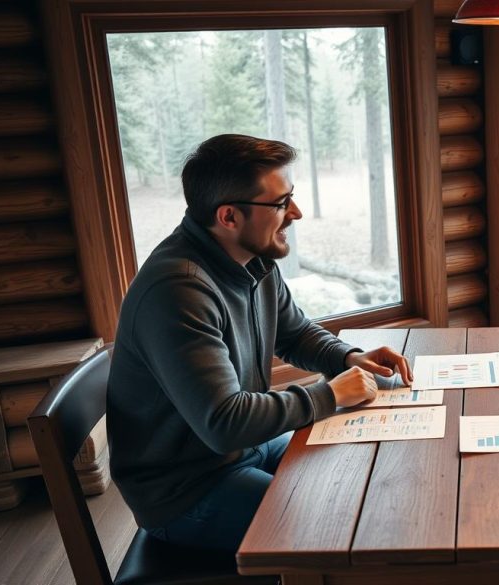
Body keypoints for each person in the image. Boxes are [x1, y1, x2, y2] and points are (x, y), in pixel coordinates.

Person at [107, 134, 413, 553]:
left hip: (243, 450)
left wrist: (347, 357)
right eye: (281, 203)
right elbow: (225, 423)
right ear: (229, 216)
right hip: (187, 488)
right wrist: (329, 394)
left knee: (362, 474)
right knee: (348, 527)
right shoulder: (177, 291)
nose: (296, 213)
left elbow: (295, 332)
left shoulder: (254, 257)